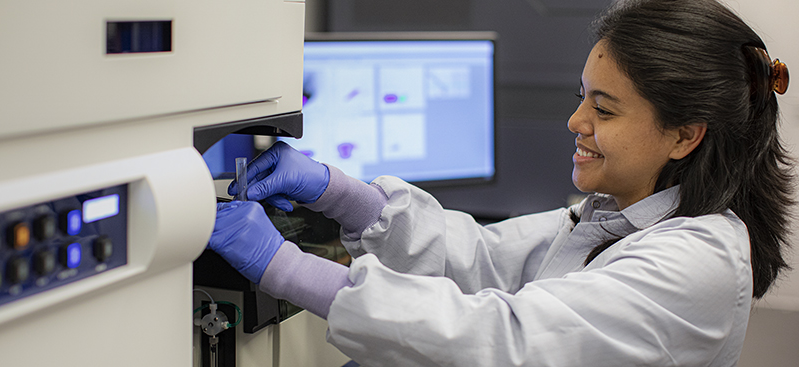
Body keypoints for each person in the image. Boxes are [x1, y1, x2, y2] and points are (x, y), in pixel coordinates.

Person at [206, 0, 793, 365]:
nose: (576, 122)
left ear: (684, 136)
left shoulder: (695, 262)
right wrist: (343, 195)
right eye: (581, 97)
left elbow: (503, 339)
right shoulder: (610, 217)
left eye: (604, 109)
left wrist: (283, 267)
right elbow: (483, 259)